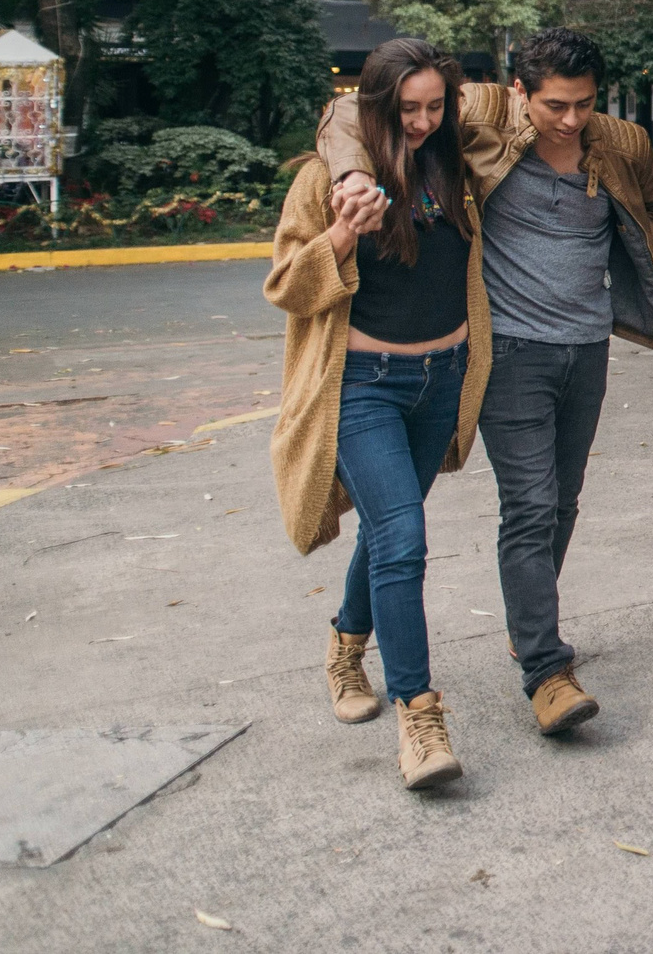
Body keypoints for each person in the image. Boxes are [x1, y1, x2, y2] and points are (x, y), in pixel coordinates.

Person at [318, 27, 653, 738]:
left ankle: (527, 619)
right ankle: (546, 670)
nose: (570, 119)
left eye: (582, 103)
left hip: (587, 346)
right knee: (529, 504)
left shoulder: (622, 143)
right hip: (508, 350)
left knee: (563, 502)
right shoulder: (482, 113)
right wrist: (350, 176)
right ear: (521, 92)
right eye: (554, 104)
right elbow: (348, 113)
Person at [266, 38, 487, 791]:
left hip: (442, 377)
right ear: (375, 107)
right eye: (407, 108)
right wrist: (339, 232)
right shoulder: (326, 178)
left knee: (391, 527)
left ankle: (344, 643)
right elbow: (288, 287)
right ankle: (420, 718)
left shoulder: (457, 157)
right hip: (364, 382)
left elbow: (513, 104)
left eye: (435, 105)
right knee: (403, 534)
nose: (423, 121)